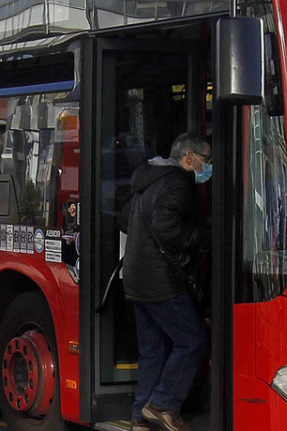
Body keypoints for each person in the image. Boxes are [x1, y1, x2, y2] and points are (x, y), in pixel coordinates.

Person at [123, 133, 212, 431]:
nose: (207, 166)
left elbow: (126, 219)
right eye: (206, 159)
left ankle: (139, 416)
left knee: (153, 349)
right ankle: (162, 404)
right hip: (160, 281)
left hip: (136, 278)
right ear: (189, 157)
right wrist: (201, 237)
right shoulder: (176, 183)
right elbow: (168, 229)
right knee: (192, 340)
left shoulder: (147, 179)